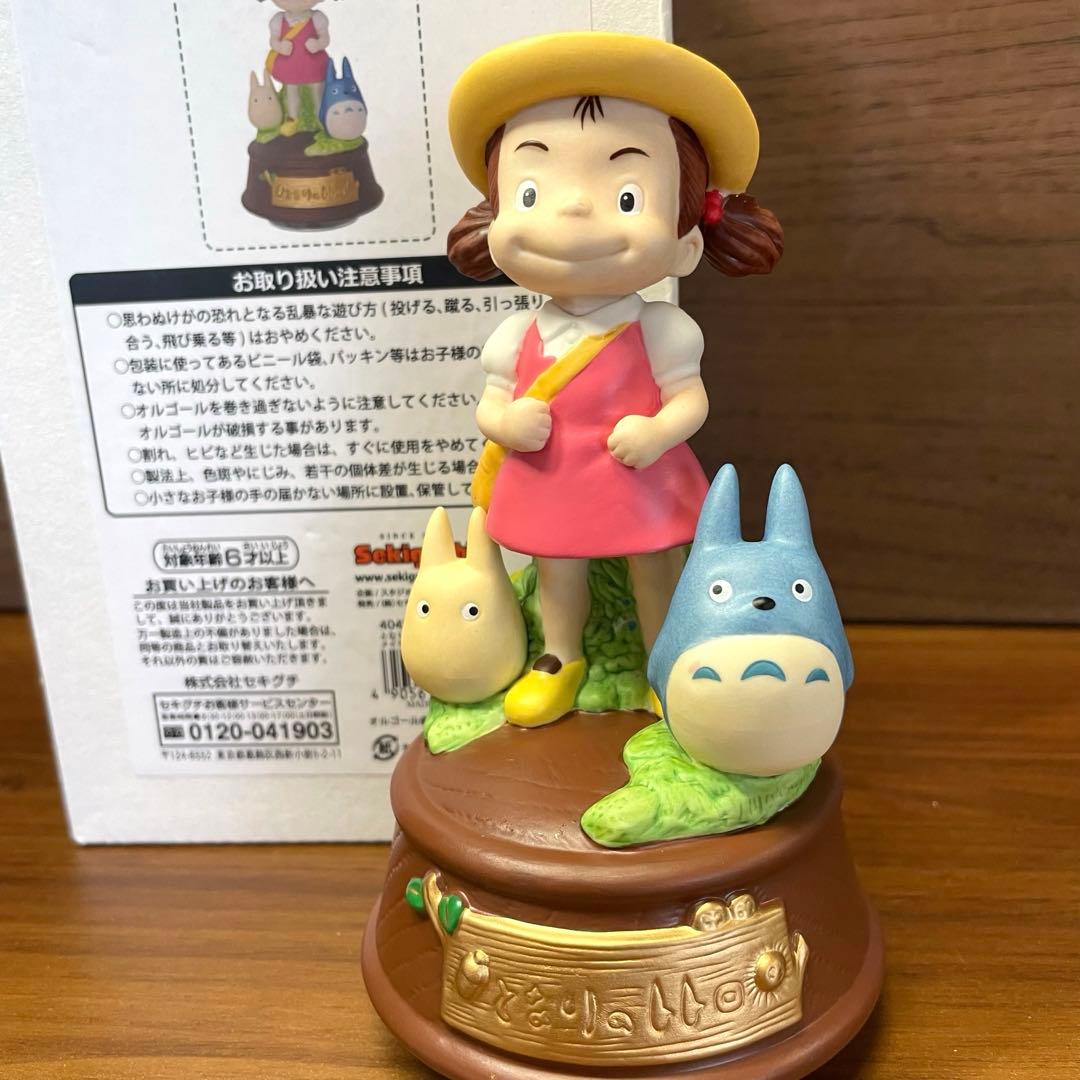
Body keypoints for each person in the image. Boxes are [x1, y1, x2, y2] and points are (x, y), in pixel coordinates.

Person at [446, 33, 784, 729]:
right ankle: (560, 656)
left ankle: (665, 659)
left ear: (687, 243)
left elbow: (691, 399)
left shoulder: (662, 328)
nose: (573, 211)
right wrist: (507, 423)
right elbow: (491, 404)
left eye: (627, 196)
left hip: (639, 482)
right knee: (557, 568)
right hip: (551, 480)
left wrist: (658, 431)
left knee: (654, 567)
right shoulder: (515, 335)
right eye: (531, 191)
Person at [260, 0, 330, 135]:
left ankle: (322, 117)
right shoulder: (278, 20)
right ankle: (293, 119)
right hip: (291, 64)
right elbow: (273, 40)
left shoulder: (317, 18)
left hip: (313, 63)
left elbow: (325, 39)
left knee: (317, 89)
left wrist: (318, 44)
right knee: (291, 89)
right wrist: (279, 46)